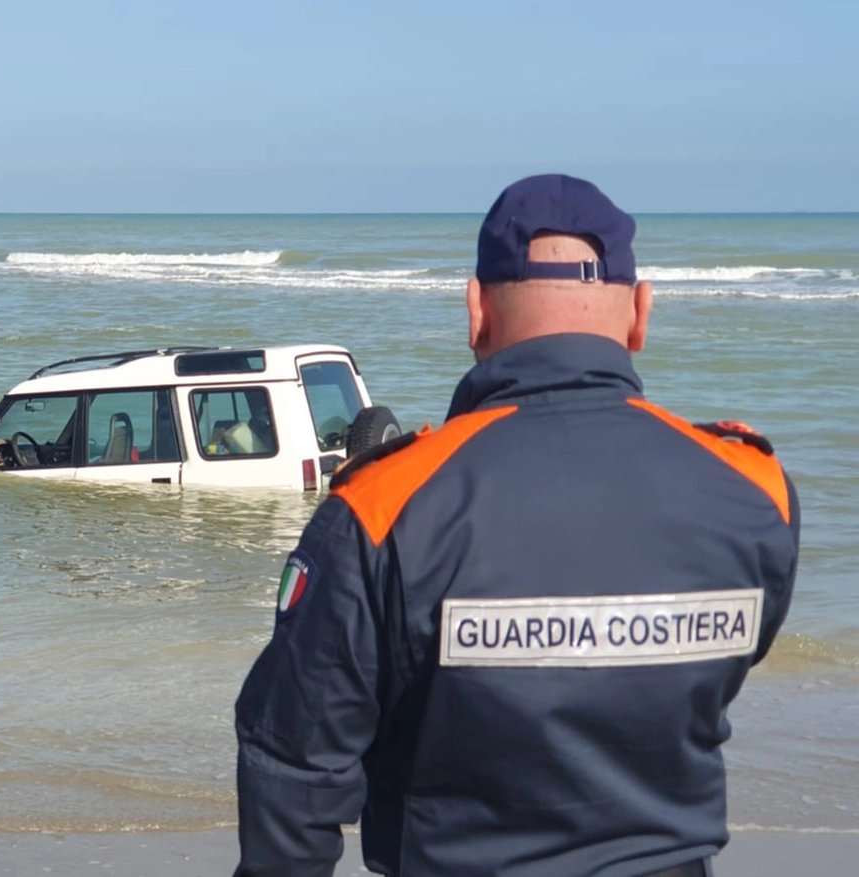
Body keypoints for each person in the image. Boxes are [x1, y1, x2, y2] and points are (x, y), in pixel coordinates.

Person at [232, 174, 799, 877]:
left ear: (476, 311)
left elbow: (293, 766)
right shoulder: (755, 492)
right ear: (641, 313)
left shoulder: (383, 508)